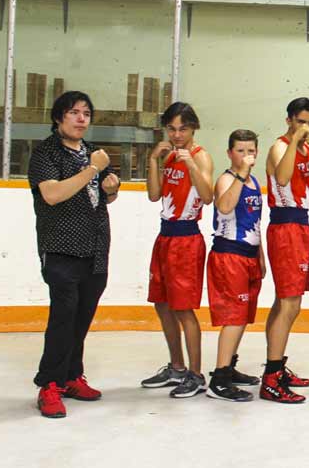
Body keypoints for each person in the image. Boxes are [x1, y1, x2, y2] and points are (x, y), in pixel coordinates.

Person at [29, 91, 120, 418]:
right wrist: (92, 170)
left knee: (82, 315)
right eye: (74, 113)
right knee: (64, 315)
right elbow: (53, 194)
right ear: (58, 117)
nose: (81, 119)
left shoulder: (90, 152)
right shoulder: (46, 153)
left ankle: (70, 376)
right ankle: (49, 384)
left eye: (86, 113)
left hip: (95, 248)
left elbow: (97, 197)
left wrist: (110, 189)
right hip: (61, 247)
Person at [141, 103, 215, 399]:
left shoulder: (201, 156)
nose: (176, 134)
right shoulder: (168, 155)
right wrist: (153, 161)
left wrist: (191, 164)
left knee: (184, 309)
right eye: (171, 129)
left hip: (187, 240)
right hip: (165, 236)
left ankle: (196, 375)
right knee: (162, 303)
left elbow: (208, 196)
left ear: (193, 128)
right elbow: (154, 195)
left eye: (182, 128)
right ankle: (177, 366)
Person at [261, 97, 309, 403]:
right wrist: (295, 142)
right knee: (290, 303)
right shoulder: (280, 147)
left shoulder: (306, 148)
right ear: (289, 120)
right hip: (284, 225)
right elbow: (283, 178)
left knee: (286, 302)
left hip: (301, 225)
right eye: (301, 121)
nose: (307, 127)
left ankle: (275, 365)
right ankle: (272, 377)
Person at [205, 129, 266, 402]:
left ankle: (228, 366)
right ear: (230, 153)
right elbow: (226, 206)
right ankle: (218, 379)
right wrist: (240, 173)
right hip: (229, 256)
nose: (245, 156)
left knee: (243, 316)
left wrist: (260, 256)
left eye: (250, 151)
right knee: (234, 317)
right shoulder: (227, 179)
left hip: (248, 256)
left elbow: (255, 223)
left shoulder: (254, 182)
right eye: (240, 151)